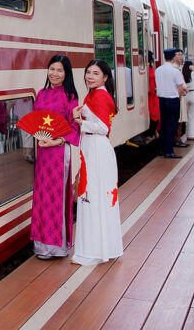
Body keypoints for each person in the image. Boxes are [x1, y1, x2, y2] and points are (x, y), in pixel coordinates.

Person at [71, 59, 123, 266]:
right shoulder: (95, 94)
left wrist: (80, 122)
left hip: (97, 149)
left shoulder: (100, 95)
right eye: (88, 72)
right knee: (96, 197)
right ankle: (102, 248)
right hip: (94, 149)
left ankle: (93, 252)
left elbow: (103, 128)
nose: (89, 76)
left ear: (105, 77)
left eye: (95, 73)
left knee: (93, 197)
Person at [30, 54, 80, 260]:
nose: (54, 73)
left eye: (60, 70)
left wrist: (55, 141)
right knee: (41, 196)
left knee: (57, 196)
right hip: (43, 151)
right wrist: (38, 136)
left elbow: (74, 127)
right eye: (52, 69)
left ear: (66, 74)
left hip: (59, 151)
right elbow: (35, 121)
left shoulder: (70, 97)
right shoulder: (41, 93)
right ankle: (41, 246)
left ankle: (57, 247)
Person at [155, 48, 187, 158]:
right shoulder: (175, 71)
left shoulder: (158, 70)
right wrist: (182, 93)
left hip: (161, 100)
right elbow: (180, 88)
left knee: (163, 125)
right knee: (171, 126)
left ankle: (162, 150)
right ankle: (169, 151)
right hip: (173, 100)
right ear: (173, 57)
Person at [145, 51, 160, 142]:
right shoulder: (148, 68)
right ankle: (152, 132)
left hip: (153, 94)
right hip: (149, 94)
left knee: (155, 113)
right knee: (153, 113)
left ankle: (153, 131)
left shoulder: (150, 68)